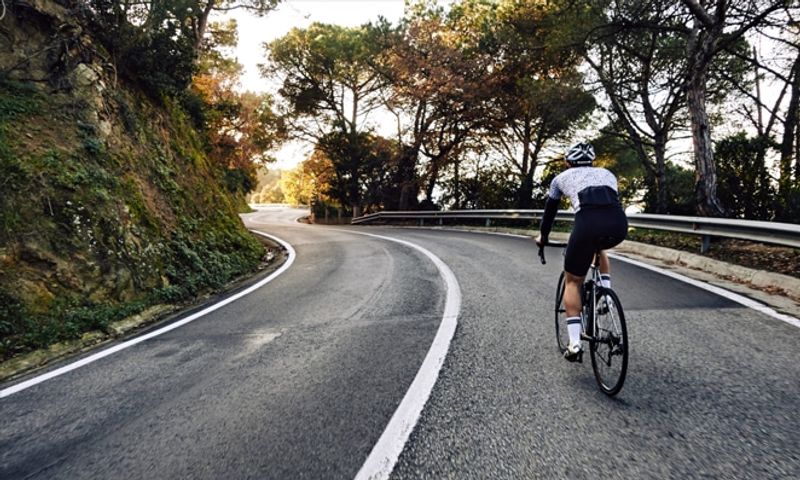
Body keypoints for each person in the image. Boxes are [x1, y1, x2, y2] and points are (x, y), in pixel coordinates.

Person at [535, 142, 628, 362]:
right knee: (600, 247)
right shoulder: (607, 173)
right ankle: (606, 295)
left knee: (573, 281)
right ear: (592, 161)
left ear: (568, 162)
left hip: (587, 225)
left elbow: (549, 213)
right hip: (618, 225)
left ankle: (575, 344)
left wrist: (543, 238)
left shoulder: (560, 179)